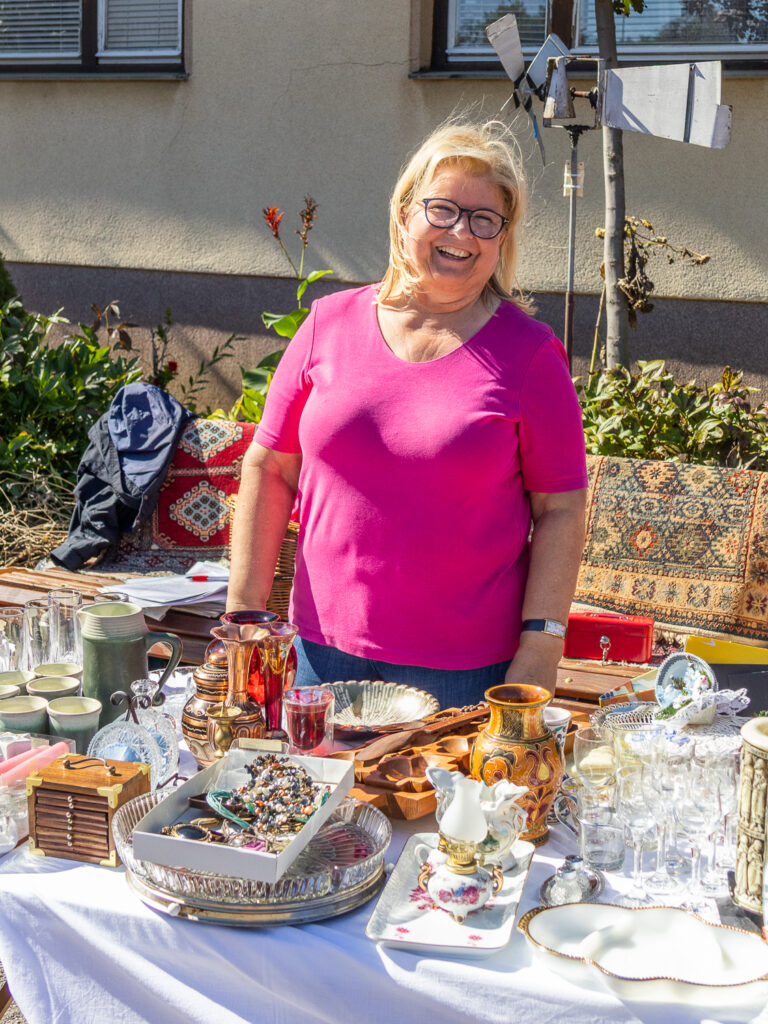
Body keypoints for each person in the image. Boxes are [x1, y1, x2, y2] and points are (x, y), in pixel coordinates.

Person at [227, 120, 587, 707]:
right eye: (442, 210)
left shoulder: (530, 355)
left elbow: (562, 510)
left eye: (484, 220)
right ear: (404, 216)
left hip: (469, 676)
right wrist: (244, 616)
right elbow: (269, 470)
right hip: (319, 659)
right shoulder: (327, 324)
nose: (461, 233)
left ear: (501, 239)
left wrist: (541, 649)